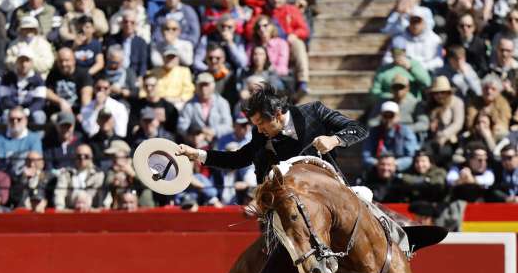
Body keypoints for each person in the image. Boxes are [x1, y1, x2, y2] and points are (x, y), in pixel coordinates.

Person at [177, 83, 368, 183]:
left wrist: (335, 139)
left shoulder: (314, 111)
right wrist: (198, 154)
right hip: (289, 199)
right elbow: (237, 159)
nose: (258, 130)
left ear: (277, 114)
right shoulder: (261, 134)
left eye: (261, 123)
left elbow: (359, 129)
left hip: (327, 185)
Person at [177, 73, 233, 149]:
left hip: (219, 143)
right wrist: (195, 135)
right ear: (196, 87)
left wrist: (213, 131)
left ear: (213, 86)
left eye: (206, 85)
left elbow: (228, 126)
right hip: (195, 144)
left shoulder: (222, 103)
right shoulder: (189, 105)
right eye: (201, 85)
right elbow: (181, 126)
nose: (203, 88)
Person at [362, 101, 419, 172]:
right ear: (381, 116)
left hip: (400, 170)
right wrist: (381, 165)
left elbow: (411, 156)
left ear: (398, 117)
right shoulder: (373, 132)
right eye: (385, 115)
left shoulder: (406, 131)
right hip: (378, 170)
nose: (388, 119)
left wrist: (393, 165)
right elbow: (366, 156)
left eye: (391, 115)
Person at [53, 143, 105, 209]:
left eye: (86, 156)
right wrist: (60, 210)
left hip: (92, 212)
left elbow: (101, 197)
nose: (82, 158)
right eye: (79, 156)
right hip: (71, 212)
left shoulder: (98, 174)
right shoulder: (66, 174)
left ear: (91, 157)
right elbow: (59, 193)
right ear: (74, 157)